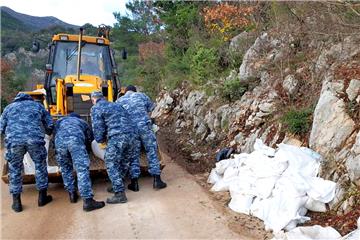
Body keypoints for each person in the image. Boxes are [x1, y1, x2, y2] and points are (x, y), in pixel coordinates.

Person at [0, 93, 54, 212]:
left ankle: (17, 202)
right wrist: (48, 134)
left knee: (14, 169)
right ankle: (42, 197)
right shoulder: (37, 106)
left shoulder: (8, 108)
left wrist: (10, 136)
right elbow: (50, 124)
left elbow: (1, 128)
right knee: (40, 165)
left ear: (16, 99)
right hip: (34, 140)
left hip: (14, 142)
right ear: (30, 98)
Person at [116, 85, 167, 192]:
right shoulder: (142, 96)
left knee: (133, 154)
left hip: (130, 130)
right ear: (135, 91)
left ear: (125, 92)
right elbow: (151, 108)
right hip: (144, 127)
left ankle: (134, 183)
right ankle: (157, 180)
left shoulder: (119, 100)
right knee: (151, 151)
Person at [90, 91, 136, 204]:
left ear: (93, 100)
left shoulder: (96, 107)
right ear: (103, 97)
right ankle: (117, 185)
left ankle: (119, 194)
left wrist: (100, 141)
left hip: (117, 137)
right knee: (124, 162)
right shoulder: (116, 104)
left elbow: (98, 128)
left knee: (111, 162)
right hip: (131, 136)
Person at [54, 112, 105, 212]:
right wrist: (87, 149)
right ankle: (87, 201)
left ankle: (72, 194)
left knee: (66, 168)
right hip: (75, 142)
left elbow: (54, 134)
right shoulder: (82, 122)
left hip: (59, 143)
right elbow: (90, 139)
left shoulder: (60, 121)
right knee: (82, 170)